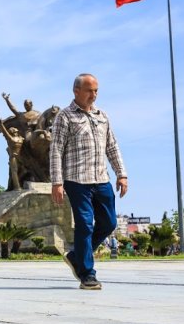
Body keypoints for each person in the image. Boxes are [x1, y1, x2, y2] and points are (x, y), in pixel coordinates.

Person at [50, 73, 128, 290]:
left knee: (109, 223)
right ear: (76, 91)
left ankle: (77, 256)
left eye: (96, 91)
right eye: (89, 90)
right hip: (76, 180)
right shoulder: (65, 117)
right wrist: (57, 182)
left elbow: (112, 146)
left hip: (101, 179)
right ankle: (87, 274)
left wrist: (121, 174)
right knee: (84, 224)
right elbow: (55, 151)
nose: (93, 95)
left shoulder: (102, 116)